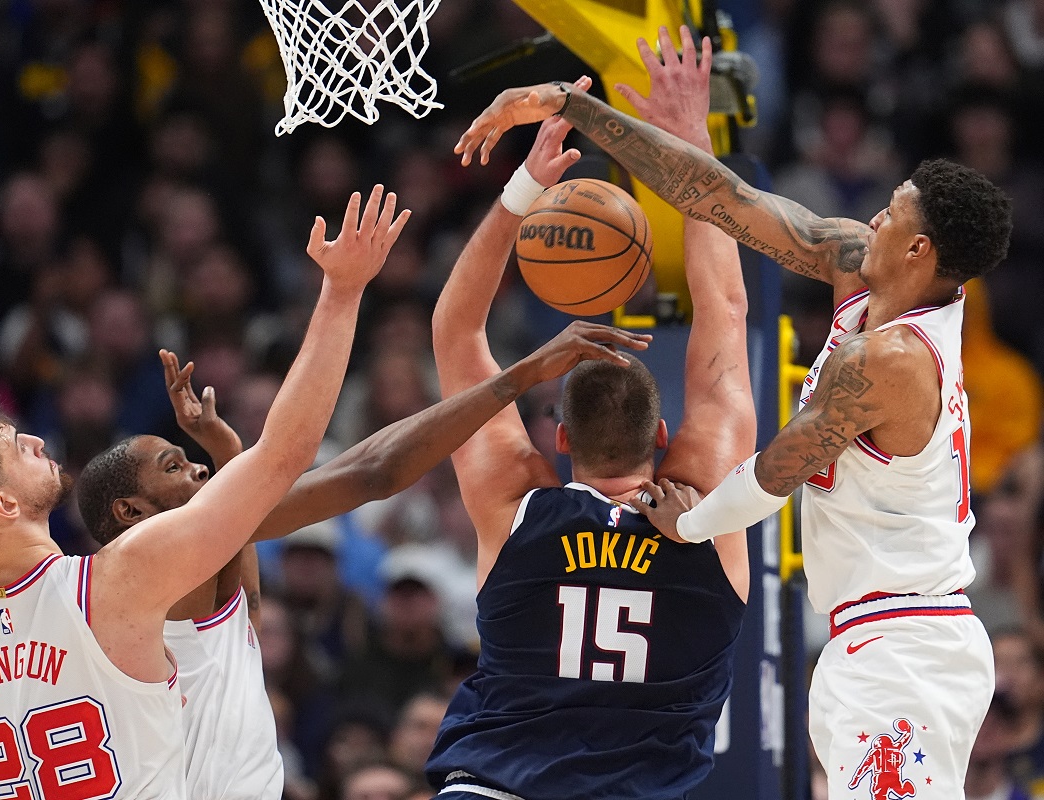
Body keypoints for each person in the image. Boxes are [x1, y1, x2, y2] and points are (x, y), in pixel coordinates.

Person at [453, 24, 1012, 800]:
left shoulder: (893, 361)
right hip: (875, 636)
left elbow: (778, 470)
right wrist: (572, 108)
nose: (874, 218)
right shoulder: (858, 266)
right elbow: (723, 197)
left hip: (905, 644)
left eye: (892, 214)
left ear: (919, 253)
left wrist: (686, 524)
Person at [0, 186, 410, 799]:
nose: (34, 439)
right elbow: (284, 454)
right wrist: (343, 292)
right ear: (3, 504)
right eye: (15, 447)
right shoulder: (118, 578)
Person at [77, 322, 648, 800]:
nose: (198, 471)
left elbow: (244, 600)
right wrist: (518, 377)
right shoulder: (146, 577)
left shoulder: (187, 579)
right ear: (129, 511)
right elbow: (371, 470)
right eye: (174, 468)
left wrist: (227, 451)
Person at [427, 47, 755, 800]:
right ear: (663, 438)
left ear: (560, 437)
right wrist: (689, 143)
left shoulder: (513, 503)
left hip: (491, 786)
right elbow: (726, 314)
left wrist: (524, 188)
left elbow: (455, 329)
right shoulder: (706, 501)